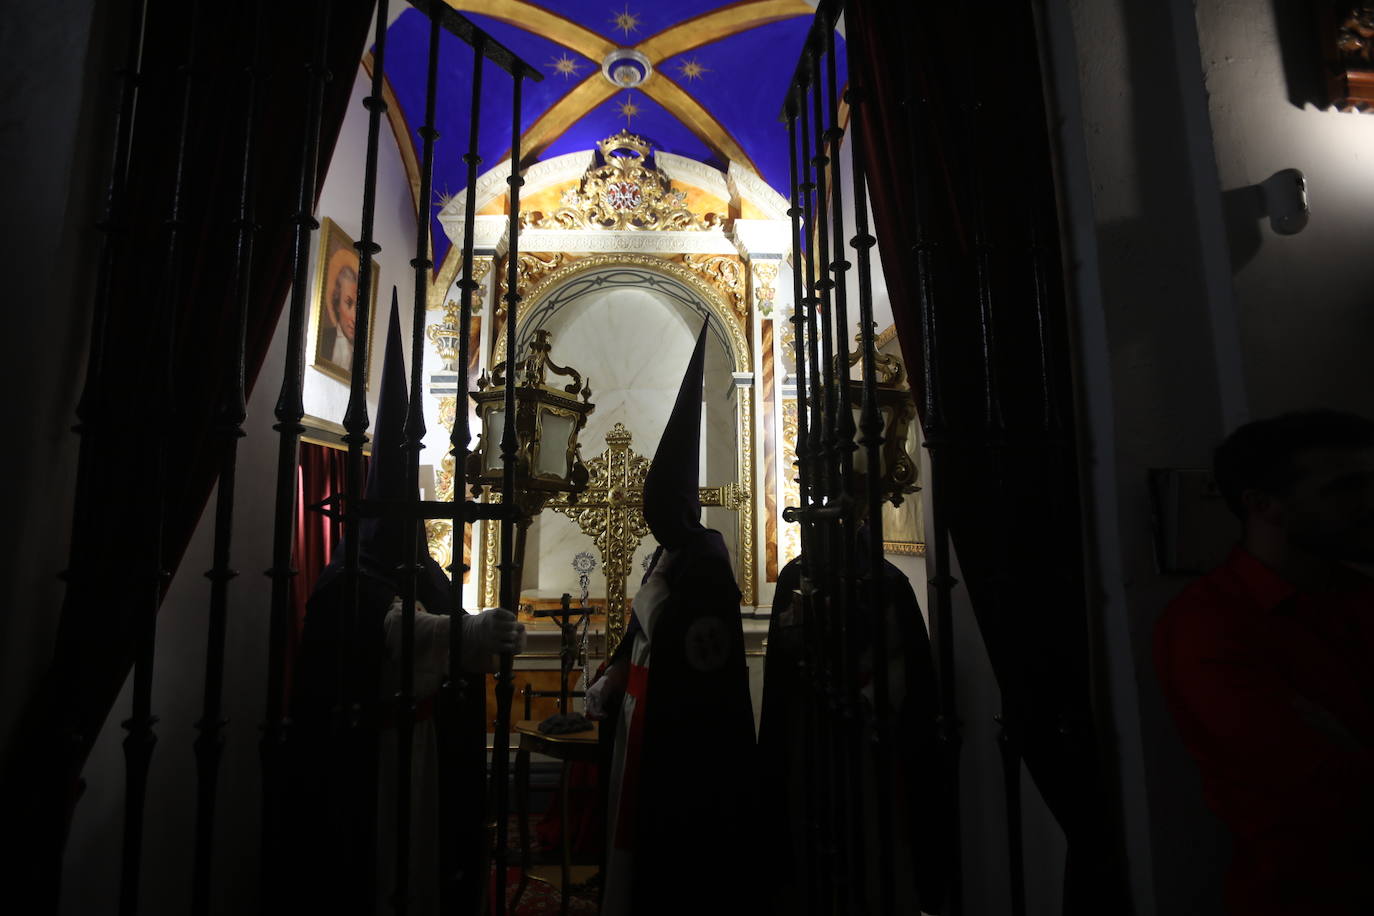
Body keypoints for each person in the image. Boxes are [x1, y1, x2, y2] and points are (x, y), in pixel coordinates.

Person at [288, 294, 524, 915]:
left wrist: (480, 634)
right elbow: (401, 631)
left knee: (424, 865)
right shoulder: (347, 581)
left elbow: (446, 627)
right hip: (369, 759)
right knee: (379, 868)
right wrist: (473, 634)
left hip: (426, 748)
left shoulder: (423, 570)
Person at [1155, 409, 1374, 916]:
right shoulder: (1210, 624)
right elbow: (1314, 793)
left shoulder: (1361, 599)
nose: (1371, 502)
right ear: (1262, 505)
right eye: (1346, 488)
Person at [584, 321, 758, 916]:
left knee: (668, 852)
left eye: (657, 507)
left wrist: (652, 597)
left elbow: (689, 648)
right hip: (639, 713)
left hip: (678, 732)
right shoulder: (671, 552)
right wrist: (613, 673)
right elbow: (639, 636)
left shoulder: (705, 558)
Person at [319, 250, 359, 369]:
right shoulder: (323, 339)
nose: (354, 317)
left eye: (358, 308)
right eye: (348, 303)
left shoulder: (360, 353)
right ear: (337, 304)